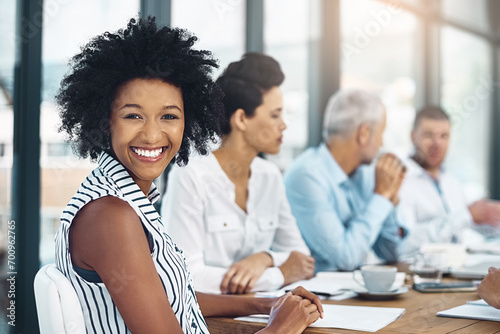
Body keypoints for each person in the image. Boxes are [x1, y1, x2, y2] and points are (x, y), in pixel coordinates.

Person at [54, 17, 322, 334]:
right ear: (105, 119)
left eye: (169, 116)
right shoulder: (111, 216)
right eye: (133, 115)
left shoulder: (125, 199)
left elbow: (169, 296)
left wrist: (265, 304)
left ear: (188, 122)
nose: (153, 135)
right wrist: (281, 328)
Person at [162, 53, 315, 295]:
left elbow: (302, 259)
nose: (283, 125)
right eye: (275, 115)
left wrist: (264, 258)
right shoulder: (190, 176)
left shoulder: (270, 176)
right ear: (242, 119)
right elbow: (185, 274)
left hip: (262, 317)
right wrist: (279, 274)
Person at [284, 89, 407, 272]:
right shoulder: (306, 176)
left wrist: (389, 198)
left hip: (352, 293)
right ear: (364, 133)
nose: (382, 143)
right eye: (381, 132)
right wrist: (381, 197)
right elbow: (346, 258)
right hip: (313, 297)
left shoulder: (365, 174)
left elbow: (391, 253)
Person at [397, 106, 500, 259]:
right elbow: (404, 246)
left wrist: (489, 216)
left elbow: (469, 222)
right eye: (428, 135)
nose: (436, 144)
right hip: (420, 276)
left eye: (443, 136)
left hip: (457, 272)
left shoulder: (450, 182)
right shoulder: (401, 181)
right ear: (413, 136)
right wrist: (467, 214)